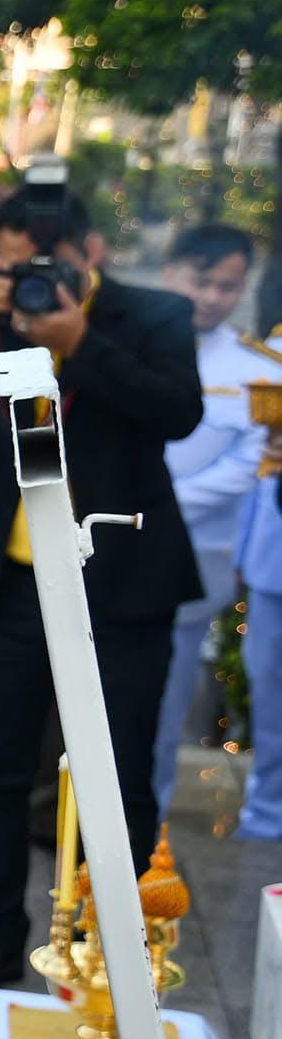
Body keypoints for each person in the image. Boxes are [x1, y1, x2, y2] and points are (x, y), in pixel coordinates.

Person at [0, 186, 202, 1000]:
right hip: (7, 581)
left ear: (91, 254)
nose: (29, 283)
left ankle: (105, 938)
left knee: (114, 772)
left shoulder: (153, 315)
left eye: (43, 266)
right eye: (13, 268)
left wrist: (77, 339)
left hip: (119, 582)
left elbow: (176, 410)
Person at [150, 224, 273, 818]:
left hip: (193, 554)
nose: (213, 297)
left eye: (228, 286)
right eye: (203, 280)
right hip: (100, 544)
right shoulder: (128, 341)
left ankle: (142, 830)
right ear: (171, 271)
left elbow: (251, 461)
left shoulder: (258, 369)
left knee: (166, 701)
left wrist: (153, 497)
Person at [233, 318, 282, 839]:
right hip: (274, 562)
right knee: (270, 697)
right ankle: (268, 814)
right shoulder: (273, 351)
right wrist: (244, 552)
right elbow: (258, 467)